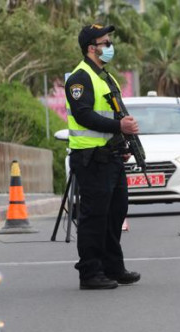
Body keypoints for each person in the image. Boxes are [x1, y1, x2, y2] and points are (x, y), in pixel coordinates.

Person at [65, 24, 141, 290]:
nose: (109, 46)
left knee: (115, 213)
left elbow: (115, 113)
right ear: (91, 48)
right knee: (95, 216)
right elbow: (84, 114)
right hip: (91, 158)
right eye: (105, 42)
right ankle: (90, 272)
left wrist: (124, 143)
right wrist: (119, 128)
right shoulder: (80, 77)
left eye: (109, 42)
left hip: (112, 156)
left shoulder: (106, 77)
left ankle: (113, 267)